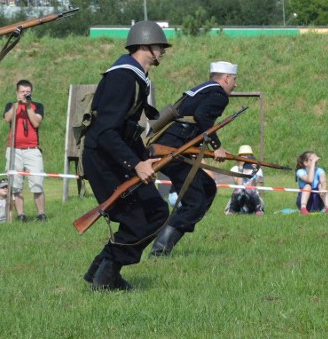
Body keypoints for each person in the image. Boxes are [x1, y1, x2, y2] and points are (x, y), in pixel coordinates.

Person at [81, 20, 172, 290]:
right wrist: (135, 163)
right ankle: (105, 279)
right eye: (159, 46)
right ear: (146, 46)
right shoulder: (123, 77)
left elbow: (126, 129)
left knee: (156, 211)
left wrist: (146, 156)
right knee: (134, 219)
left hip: (119, 157)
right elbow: (107, 131)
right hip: (104, 160)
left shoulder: (135, 77)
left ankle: (101, 271)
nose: (163, 50)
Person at [149, 61, 237, 256]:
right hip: (174, 149)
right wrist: (218, 147)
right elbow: (203, 117)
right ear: (226, 78)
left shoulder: (202, 90)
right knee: (195, 203)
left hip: (174, 145)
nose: (235, 85)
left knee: (208, 188)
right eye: (234, 80)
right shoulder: (219, 94)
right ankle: (159, 250)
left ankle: (171, 234)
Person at [3, 79, 46, 221]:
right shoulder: (11, 105)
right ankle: (21, 214)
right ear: (17, 92)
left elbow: (36, 122)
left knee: (37, 182)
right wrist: (17, 105)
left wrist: (28, 107)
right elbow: (7, 119)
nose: (25, 94)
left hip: (32, 149)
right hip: (14, 150)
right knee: (15, 185)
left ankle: (41, 214)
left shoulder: (37, 106)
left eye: (27, 92)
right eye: (22, 91)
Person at [226, 144, 265, 215]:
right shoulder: (235, 169)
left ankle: (258, 210)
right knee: (239, 190)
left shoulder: (257, 170)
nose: (245, 158)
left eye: (247, 155)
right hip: (239, 199)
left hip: (252, 199)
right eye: (243, 156)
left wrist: (254, 171)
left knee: (249, 189)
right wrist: (240, 167)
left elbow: (252, 185)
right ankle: (232, 210)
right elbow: (239, 184)